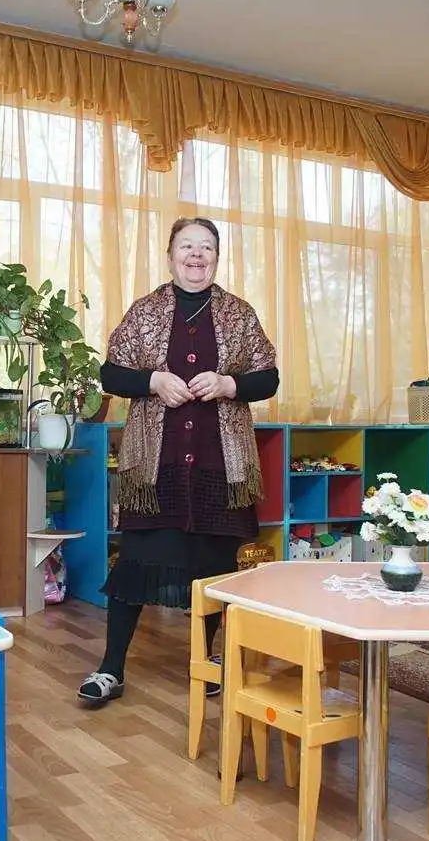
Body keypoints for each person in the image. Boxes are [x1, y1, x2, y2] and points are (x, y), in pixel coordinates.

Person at [78, 217, 280, 704]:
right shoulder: (145, 311)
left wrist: (230, 384)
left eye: (206, 247)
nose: (196, 255)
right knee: (136, 563)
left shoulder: (239, 314)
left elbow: (268, 378)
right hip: (157, 465)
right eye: (187, 246)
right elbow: (111, 373)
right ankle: (111, 670)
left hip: (219, 464)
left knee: (214, 566)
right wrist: (152, 381)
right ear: (170, 256)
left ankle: (207, 663)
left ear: (216, 257)